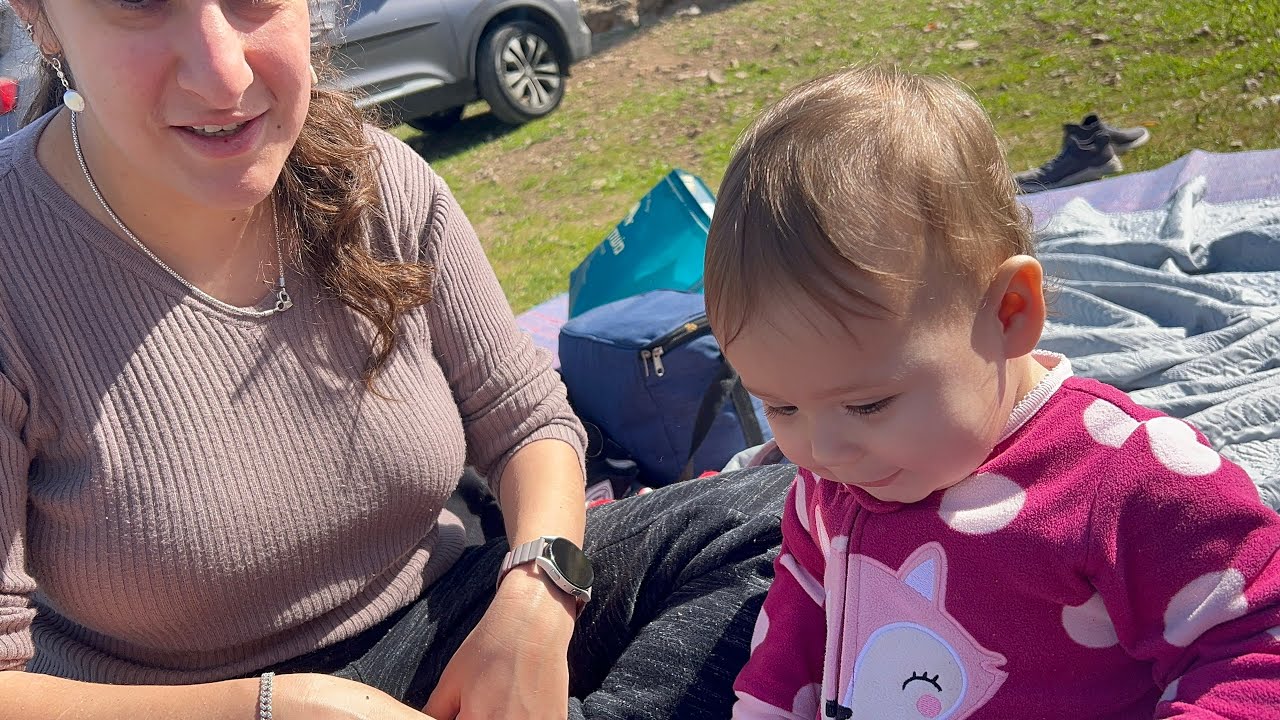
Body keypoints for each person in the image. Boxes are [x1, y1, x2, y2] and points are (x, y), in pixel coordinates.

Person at [0, 1, 790, 718]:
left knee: (784, 519)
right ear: (37, 17)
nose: (222, 72)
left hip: (451, 620)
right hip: (198, 710)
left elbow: (529, 422)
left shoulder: (376, 181)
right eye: (140, 3)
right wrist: (277, 709)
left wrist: (537, 597)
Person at [703, 65, 1280, 718]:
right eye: (780, 406)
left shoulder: (1126, 480)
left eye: (868, 404)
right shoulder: (829, 486)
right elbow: (802, 613)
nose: (824, 449)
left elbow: (1254, 640)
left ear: (1009, 312)